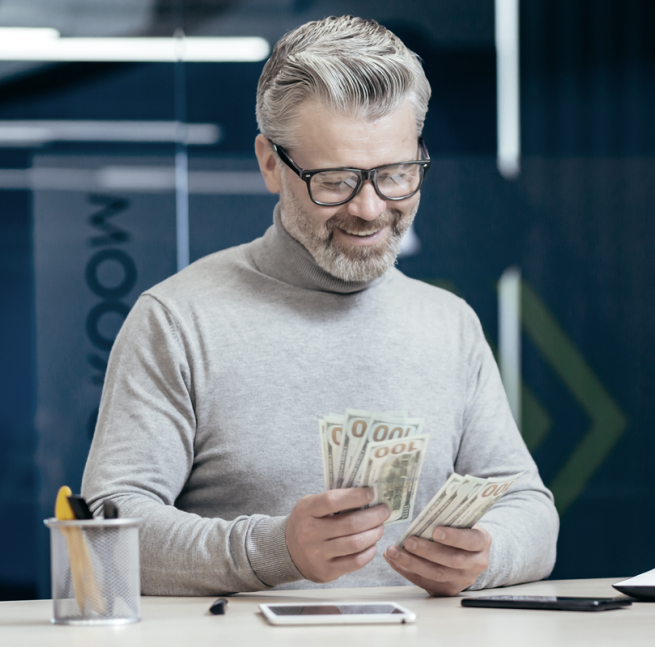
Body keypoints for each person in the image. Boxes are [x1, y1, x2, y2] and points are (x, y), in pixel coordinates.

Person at [81, 15, 558, 596]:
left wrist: (490, 554)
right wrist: (273, 549)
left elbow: (529, 508)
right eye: (335, 181)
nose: (370, 208)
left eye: (395, 174)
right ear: (270, 163)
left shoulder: (448, 323)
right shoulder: (178, 320)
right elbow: (106, 532)